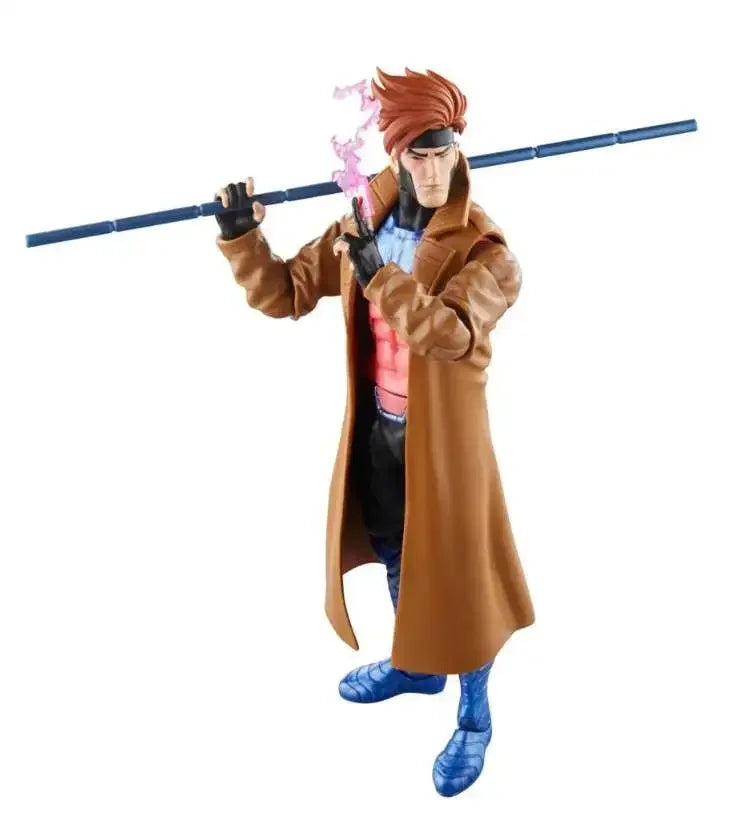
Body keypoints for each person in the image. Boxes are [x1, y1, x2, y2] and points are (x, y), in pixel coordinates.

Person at [214, 67, 534, 797]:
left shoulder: (487, 253)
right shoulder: (362, 223)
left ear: (459, 149)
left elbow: (447, 334)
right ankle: (416, 663)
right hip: (380, 431)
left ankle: (475, 716)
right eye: (419, 154)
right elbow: (286, 293)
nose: (433, 170)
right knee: (394, 547)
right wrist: (242, 239)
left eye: (444, 152)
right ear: (395, 153)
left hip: (446, 448)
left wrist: (378, 273)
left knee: (461, 581)